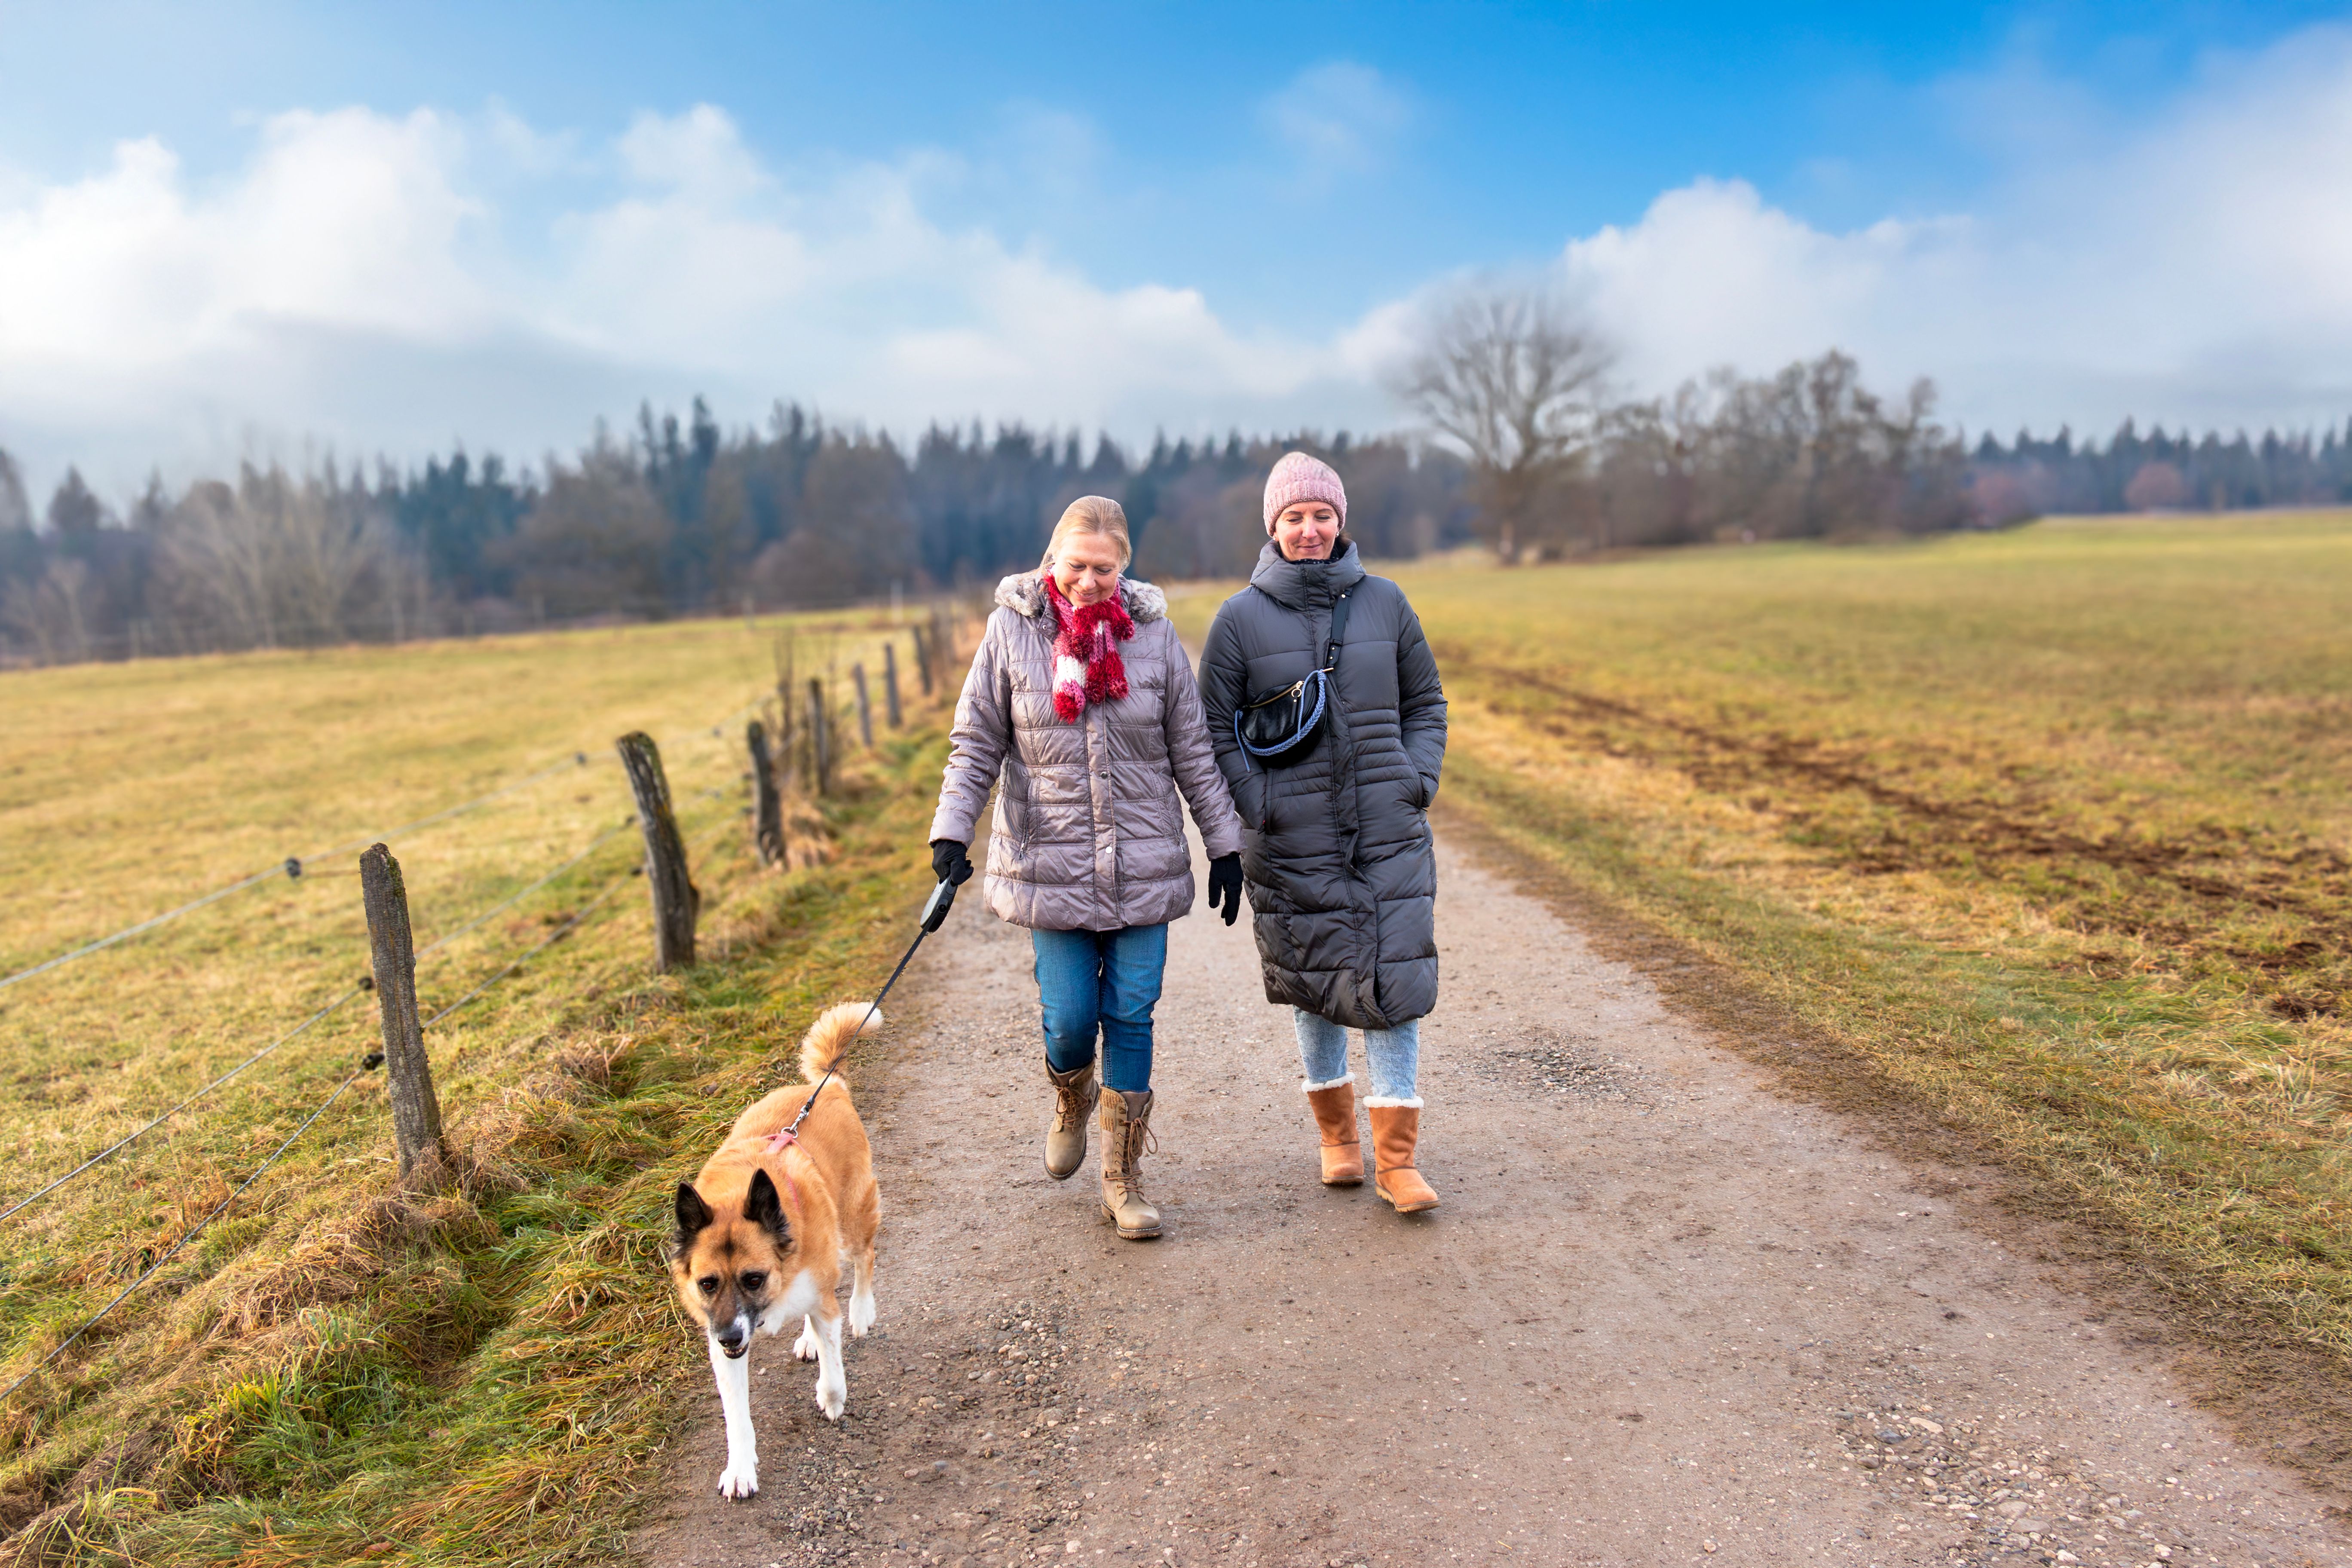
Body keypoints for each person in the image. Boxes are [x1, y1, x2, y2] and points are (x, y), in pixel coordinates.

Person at [929, 496, 1245, 1240]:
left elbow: (1192, 749)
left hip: (1142, 863)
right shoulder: (1012, 630)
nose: (1088, 581)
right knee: (1071, 1022)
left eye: (1104, 569)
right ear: (1052, 560)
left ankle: (1122, 1178)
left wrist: (1224, 843)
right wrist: (951, 831)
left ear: (1124, 566)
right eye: (1075, 566)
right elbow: (976, 741)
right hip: (1050, 863)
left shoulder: (1156, 636)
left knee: (1131, 1015)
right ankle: (1072, 1096)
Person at [1198, 452, 1449, 1213]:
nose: (1309, 530)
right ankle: (1338, 1142)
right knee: (1313, 985)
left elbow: (1427, 702)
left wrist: (1417, 780)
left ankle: (1398, 1162)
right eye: (1294, 518)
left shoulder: (1388, 603)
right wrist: (1255, 802)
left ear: (1342, 521)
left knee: (1396, 978)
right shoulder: (1239, 620)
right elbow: (1214, 730)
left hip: (1387, 827)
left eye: (1322, 516)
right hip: (1289, 834)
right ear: (1272, 527)